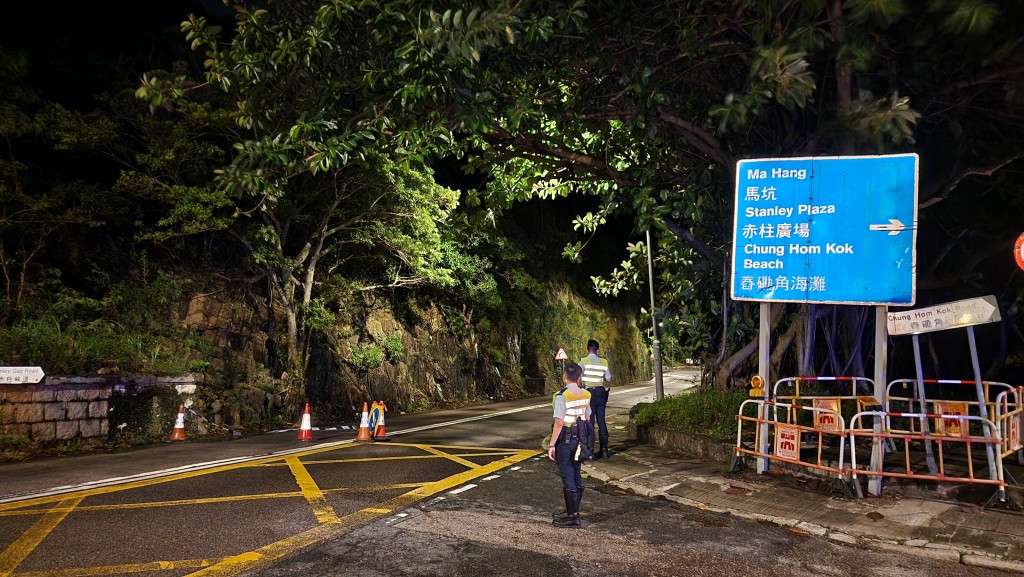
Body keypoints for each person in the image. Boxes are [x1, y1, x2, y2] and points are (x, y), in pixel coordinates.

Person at [548, 361, 592, 528]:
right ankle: (572, 512)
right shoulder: (587, 394)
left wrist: (552, 445)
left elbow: (559, 423)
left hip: (565, 441)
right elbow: (587, 418)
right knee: (576, 474)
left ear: (564, 377)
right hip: (579, 440)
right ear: (579, 377)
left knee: (567, 476)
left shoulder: (562, 396)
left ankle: (573, 516)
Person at [580, 339, 612, 459]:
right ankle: (604, 450)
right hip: (600, 393)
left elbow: (578, 376)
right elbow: (608, 379)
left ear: (587, 349)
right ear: (597, 350)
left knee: (589, 422)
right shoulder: (603, 362)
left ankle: (590, 452)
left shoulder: (583, 361)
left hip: (588, 393)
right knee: (601, 421)